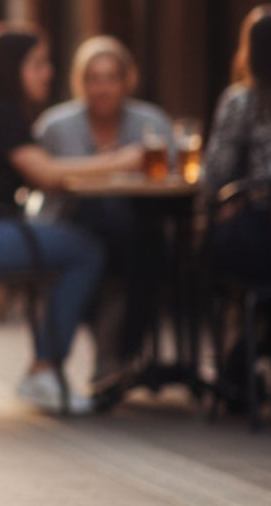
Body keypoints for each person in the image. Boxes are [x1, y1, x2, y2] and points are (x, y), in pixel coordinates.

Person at [0, 23, 143, 415]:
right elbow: (46, 175)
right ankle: (45, 370)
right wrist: (122, 160)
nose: (49, 72)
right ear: (13, 69)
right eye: (38, 64)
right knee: (87, 251)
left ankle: (63, 366)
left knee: (85, 242)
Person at [35, 36, 173, 380]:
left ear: (127, 80)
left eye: (111, 77)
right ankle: (117, 353)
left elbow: (171, 173)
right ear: (80, 82)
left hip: (138, 225)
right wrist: (118, 162)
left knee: (144, 242)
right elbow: (40, 178)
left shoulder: (152, 122)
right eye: (93, 78)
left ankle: (120, 350)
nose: (102, 88)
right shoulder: (56, 126)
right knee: (113, 239)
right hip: (73, 221)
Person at [201, 5, 271, 286]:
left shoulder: (241, 101)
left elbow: (215, 173)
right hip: (269, 235)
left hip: (263, 234)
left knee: (210, 239)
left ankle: (248, 324)